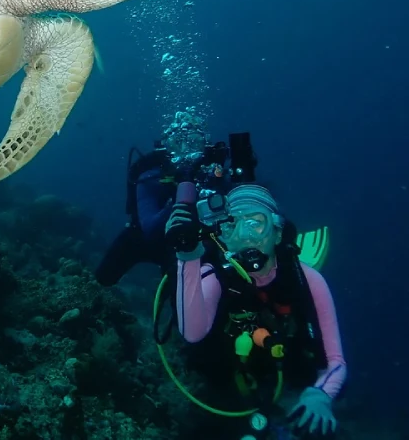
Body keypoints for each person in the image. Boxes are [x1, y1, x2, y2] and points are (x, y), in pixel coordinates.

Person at [96, 135, 346, 439]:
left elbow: (335, 361)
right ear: (223, 234)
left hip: (276, 366)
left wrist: (321, 394)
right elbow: (193, 333)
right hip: (223, 369)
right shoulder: (216, 274)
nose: (245, 236)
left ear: (278, 233)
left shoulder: (306, 278)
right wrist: (189, 256)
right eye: (232, 225)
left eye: (256, 223)